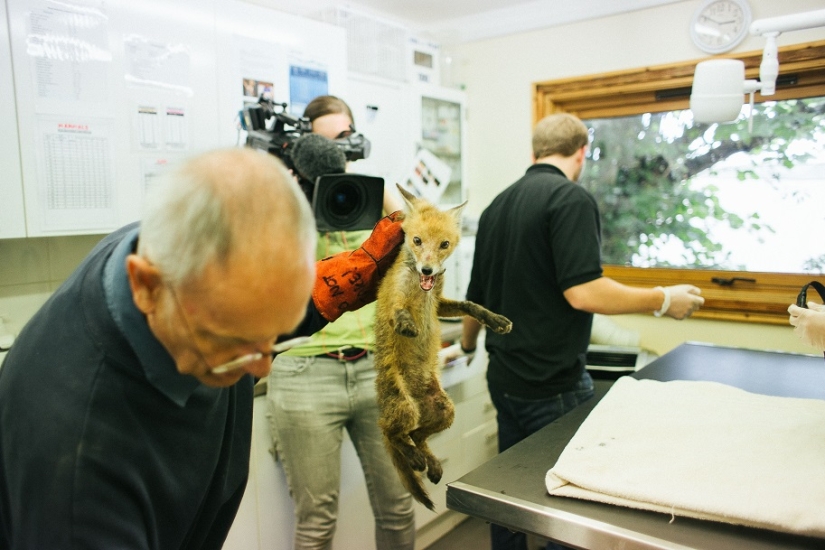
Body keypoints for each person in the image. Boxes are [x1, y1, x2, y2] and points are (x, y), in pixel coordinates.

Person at [0, 146, 404, 549]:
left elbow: (254, 310)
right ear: (145, 286)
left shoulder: (178, 249)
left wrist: (353, 275)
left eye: (274, 333)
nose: (263, 367)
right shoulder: (78, 469)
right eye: (236, 341)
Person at [460, 113, 705, 550]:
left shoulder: (496, 206)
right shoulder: (569, 198)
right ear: (581, 153)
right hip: (551, 383)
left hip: (504, 378)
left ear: (534, 153)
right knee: (571, 505)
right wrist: (663, 300)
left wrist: (466, 343)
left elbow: (475, 297)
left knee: (506, 494)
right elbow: (583, 293)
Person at [266, 95, 415, 550]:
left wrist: (379, 187)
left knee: (400, 504)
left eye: (346, 141)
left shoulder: (369, 193)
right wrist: (297, 188)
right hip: (304, 371)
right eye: (326, 145)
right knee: (316, 521)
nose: (338, 155)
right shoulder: (285, 197)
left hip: (375, 368)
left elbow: (423, 244)